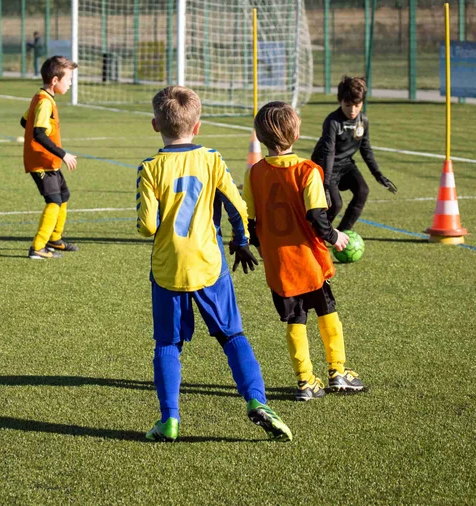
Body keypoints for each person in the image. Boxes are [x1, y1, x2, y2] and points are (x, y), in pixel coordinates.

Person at [136, 85, 293, 442]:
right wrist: (241, 242)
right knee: (232, 335)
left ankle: (169, 420)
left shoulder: (150, 168)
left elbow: (147, 226)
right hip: (209, 263)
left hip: (168, 267)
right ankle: (257, 401)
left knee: (167, 344)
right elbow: (238, 207)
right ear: (198, 126)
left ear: (155, 124)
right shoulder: (211, 158)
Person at [244, 100, 365, 402]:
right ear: (296, 135)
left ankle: (305, 382)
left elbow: (251, 220)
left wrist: (259, 247)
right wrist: (334, 236)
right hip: (308, 261)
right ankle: (337, 372)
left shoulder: (254, 173)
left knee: (295, 318)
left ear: (260, 138)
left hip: (279, 265)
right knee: (327, 310)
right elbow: (317, 218)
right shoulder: (308, 170)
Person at [310, 76, 397, 232]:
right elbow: (328, 153)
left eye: (357, 105)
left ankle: (341, 233)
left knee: (363, 191)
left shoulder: (363, 120)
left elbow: (365, 148)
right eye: (348, 105)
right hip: (325, 165)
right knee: (335, 204)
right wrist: (326, 184)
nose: (353, 110)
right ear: (340, 101)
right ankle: (315, 233)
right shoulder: (332, 122)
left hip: (345, 164)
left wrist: (378, 174)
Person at [20, 55, 79, 259]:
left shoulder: (41, 97)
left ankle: (55, 238)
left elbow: (23, 121)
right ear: (55, 80)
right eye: (68, 79)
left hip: (48, 161)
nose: (71, 83)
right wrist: (63, 154)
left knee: (63, 196)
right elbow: (38, 132)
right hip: (41, 162)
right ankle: (38, 247)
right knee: (53, 200)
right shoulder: (45, 102)